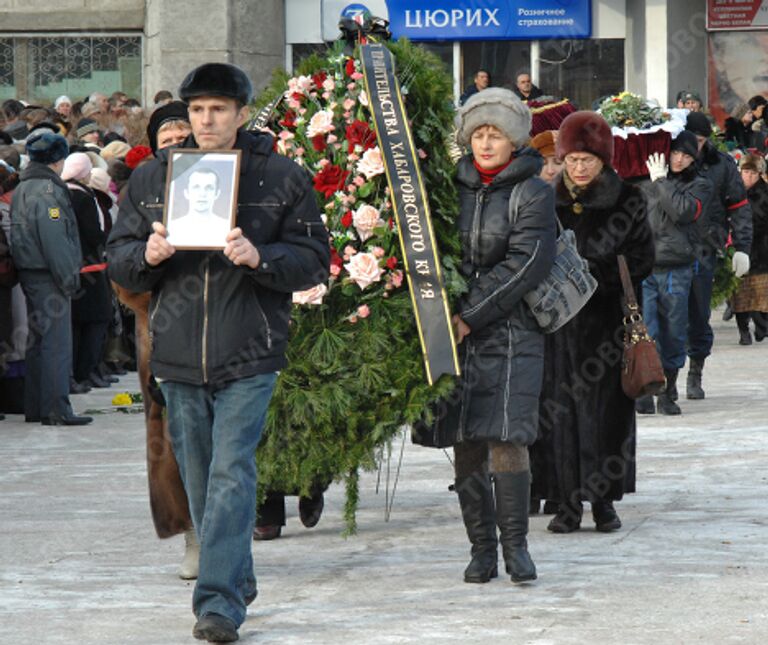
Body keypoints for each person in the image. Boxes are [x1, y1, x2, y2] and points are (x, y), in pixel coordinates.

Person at [107, 62, 330, 643]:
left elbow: (313, 259)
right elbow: (118, 259)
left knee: (233, 471)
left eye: (218, 110)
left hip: (249, 352)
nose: (206, 120)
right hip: (177, 355)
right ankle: (236, 577)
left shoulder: (282, 176)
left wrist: (261, 257)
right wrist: (147, 256)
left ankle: (217, 604)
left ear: (241, 114)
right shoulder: (153, 180)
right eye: (197, 110)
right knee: (203, 481)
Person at [425, 88, 556, 584]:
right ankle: (481, 549)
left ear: (514, 139)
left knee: (507, 437)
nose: (485, 142)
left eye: (495, 133)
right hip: (456, 333)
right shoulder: (450, 187)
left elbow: (527, 265)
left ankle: (516, 547)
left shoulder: (534, 191)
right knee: (465, 440)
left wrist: (468, 317)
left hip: (512, 332)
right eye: (477, 133)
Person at [537, 111, 654, 534]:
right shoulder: (546, 201)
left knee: (607, 415)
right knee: (560, 415)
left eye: (588, 160)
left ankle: (604, 501)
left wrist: (588, 273)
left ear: (604, 160)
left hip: (607, 327)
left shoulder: (629, 200)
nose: (579, 168)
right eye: (572, 160)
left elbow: (643, 260)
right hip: (558, 327)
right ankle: (566, 501)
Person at [9, 132, 92, 426]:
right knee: (56, 343)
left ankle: (37, 407)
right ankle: (57, 408)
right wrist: (69, 276)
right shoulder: (47, 191)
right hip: (49, 274)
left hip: (30, 272)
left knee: (38, 341)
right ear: (58, 160)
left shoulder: (22, 187)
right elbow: (55, 238)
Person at [636, 132, 712, 416]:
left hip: (676, 268)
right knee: (645, 332)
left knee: (673, 332)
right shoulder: (647, 181)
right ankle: (645, 387)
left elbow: (682, 211)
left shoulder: (700, 185)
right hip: (645, 267)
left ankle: (668, 391)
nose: (679, 160)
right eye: (676, 153)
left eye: (687, 155)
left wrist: (661, 181)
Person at [684, 111, 752, 399]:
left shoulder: (721, 165)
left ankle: (695, 372)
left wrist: (742, 248)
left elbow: (738, 206)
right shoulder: (672, 161)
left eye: (700, 140)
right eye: (690, 140)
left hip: (705, 247)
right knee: (664, 314)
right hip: (667, 249)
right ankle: (663, 373)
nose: (695, 147)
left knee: (698, 314)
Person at [732, 153, 768, 345]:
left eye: (754, 172)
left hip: (761, 249)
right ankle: (743, 329)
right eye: (746, 172)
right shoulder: (733, 192)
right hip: (738, 247)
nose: (750, 176)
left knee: (761, 292)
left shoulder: (765, 193)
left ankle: (761, 326)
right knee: (740, 293)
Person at [168, 166, 231, 246]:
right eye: (196, 187)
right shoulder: (173, 228)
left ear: (217, 194)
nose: (202, 194)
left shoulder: (226, 227)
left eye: (209, 188)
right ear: (186, 193)